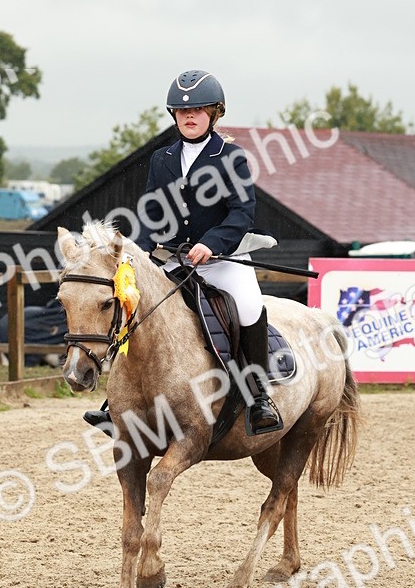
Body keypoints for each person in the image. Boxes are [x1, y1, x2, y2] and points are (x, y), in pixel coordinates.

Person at [83, 69, 282, 437]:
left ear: (214, 114)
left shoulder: (232, 157)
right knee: (136, 305)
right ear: (174, 115)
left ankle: (258, 396)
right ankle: (117, 404)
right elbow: (151, 213)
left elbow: (242, 212)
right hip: (174, 261)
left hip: (222, 261)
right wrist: (135, 253)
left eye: (199, 110)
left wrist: (212, 243)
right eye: (182, 111)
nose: (190, 117)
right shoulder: (162, 159)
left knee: (250, 304)